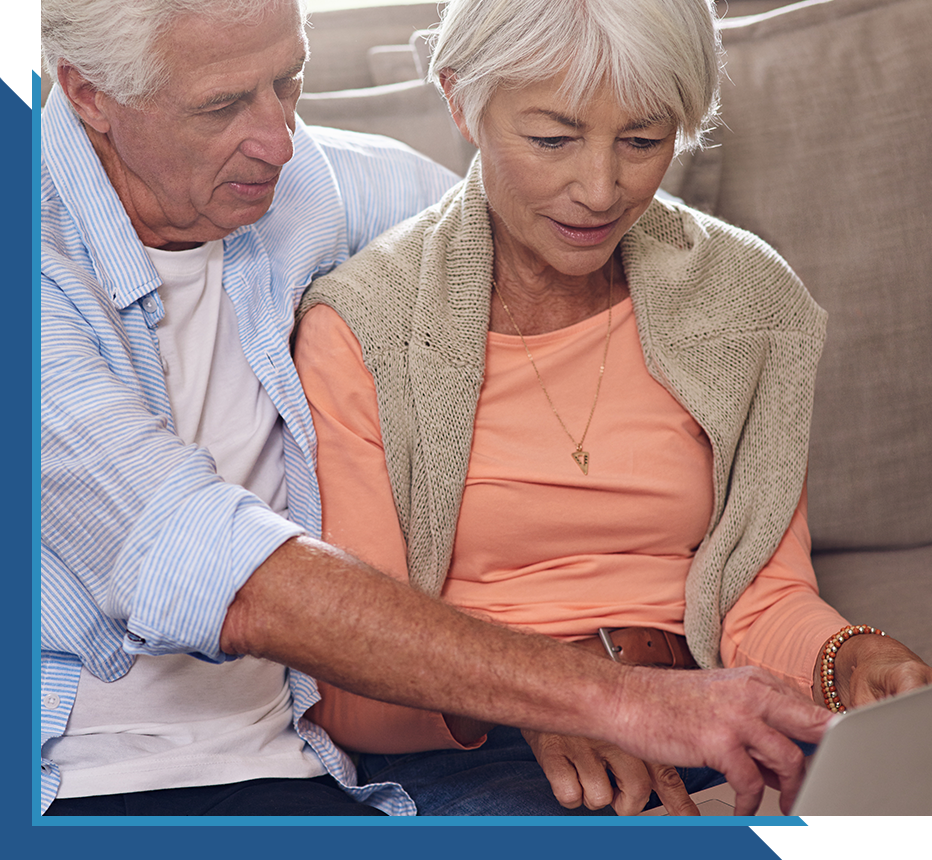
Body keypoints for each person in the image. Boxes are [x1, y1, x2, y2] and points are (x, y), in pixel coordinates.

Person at [40, 0, 839, 818]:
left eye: (289, 82)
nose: (279, 140)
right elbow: (208, 564)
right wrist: (602, 696)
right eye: (222, 105)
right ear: (89, 95)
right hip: (91, 774)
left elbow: (505, 221)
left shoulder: (323, 184)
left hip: (310, 762)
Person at [293, 0, 932, 817]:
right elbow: (348, 680)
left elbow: (758, 599)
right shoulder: (363, 328)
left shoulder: (746, 303)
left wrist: (847, 655)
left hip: (709, 707)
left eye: (642, 139)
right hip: (491, 742)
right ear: (460, 99)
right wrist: (559, 697)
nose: (600, 190)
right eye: (553, 139)